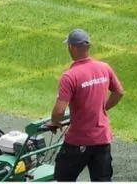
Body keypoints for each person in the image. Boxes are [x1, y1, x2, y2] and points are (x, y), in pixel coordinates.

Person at [49, 29, 123, 182]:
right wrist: (104, 108)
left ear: (72, 48)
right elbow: (119, 92)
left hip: (78, 140)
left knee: (63, 177)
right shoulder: (104, 68)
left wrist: (54, 122)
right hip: (102, 138)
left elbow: (59, 110)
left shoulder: (69, 76)